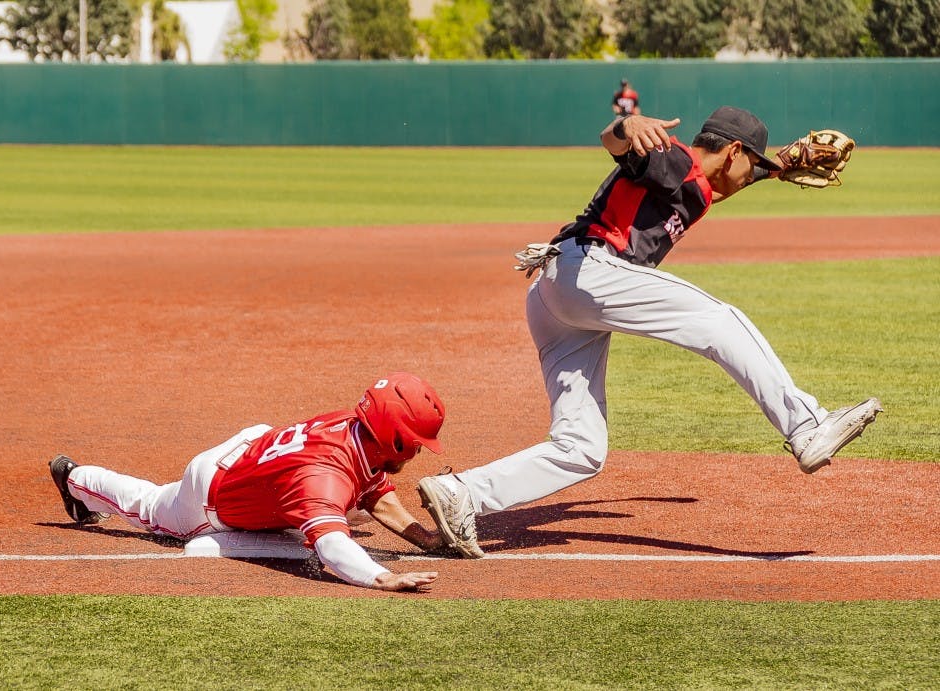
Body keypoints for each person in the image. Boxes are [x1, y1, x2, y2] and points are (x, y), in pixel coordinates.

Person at [417, 107, 882, 558]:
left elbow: (717, 186)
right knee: (721, 321)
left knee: (581, 449)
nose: (751, 174)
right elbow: (617, 143)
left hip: (557, 294)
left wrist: (777, 167)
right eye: (752, 163)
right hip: (590, 271)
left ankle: (462, 494)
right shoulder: (672, 158)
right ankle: (806, 426)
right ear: (734, 150)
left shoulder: (697, 186)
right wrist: (626, 125)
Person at [48, 372, 450, 591]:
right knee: (150, 508)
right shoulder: (324, 477)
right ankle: (75, 479)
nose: (416, 452)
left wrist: (429, 539)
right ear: (392, 438)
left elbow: (373, 492)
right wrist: (383, 577)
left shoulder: (353, 428)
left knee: (343, 512)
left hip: (255, 453)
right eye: (414, 443)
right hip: (210, 497)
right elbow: (331, 546)